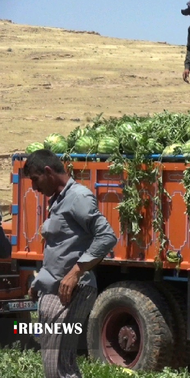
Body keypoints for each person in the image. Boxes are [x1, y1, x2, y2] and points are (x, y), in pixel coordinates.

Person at [24, 149, 117, 378]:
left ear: (48, 171)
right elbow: (61, 247)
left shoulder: (78, 197)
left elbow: (106, 236)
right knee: (57, 366)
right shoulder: (59, 200)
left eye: (35, 180)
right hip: (55, 291)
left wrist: (76, 272)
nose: (34, 188)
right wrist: (40, 283)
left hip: (72, 292)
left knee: (58, 368)